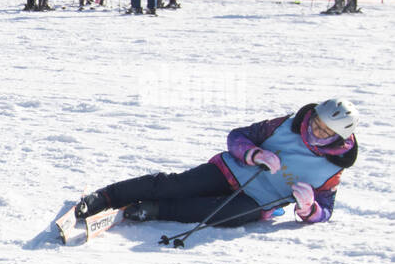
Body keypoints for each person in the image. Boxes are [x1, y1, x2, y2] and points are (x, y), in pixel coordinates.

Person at [72, 100, 358, 229]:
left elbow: (326, 210)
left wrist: (310, 208)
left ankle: (152, 210)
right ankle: (106, 196)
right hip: (230, 170)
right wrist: (255, 154)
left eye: (324, 132)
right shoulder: (286, 125)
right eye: (316, 123)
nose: (314, 132)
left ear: (339, 137)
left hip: (257, 200)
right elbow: (237, 137)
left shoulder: (332, 169)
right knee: (176, 185)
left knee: (223, 215)